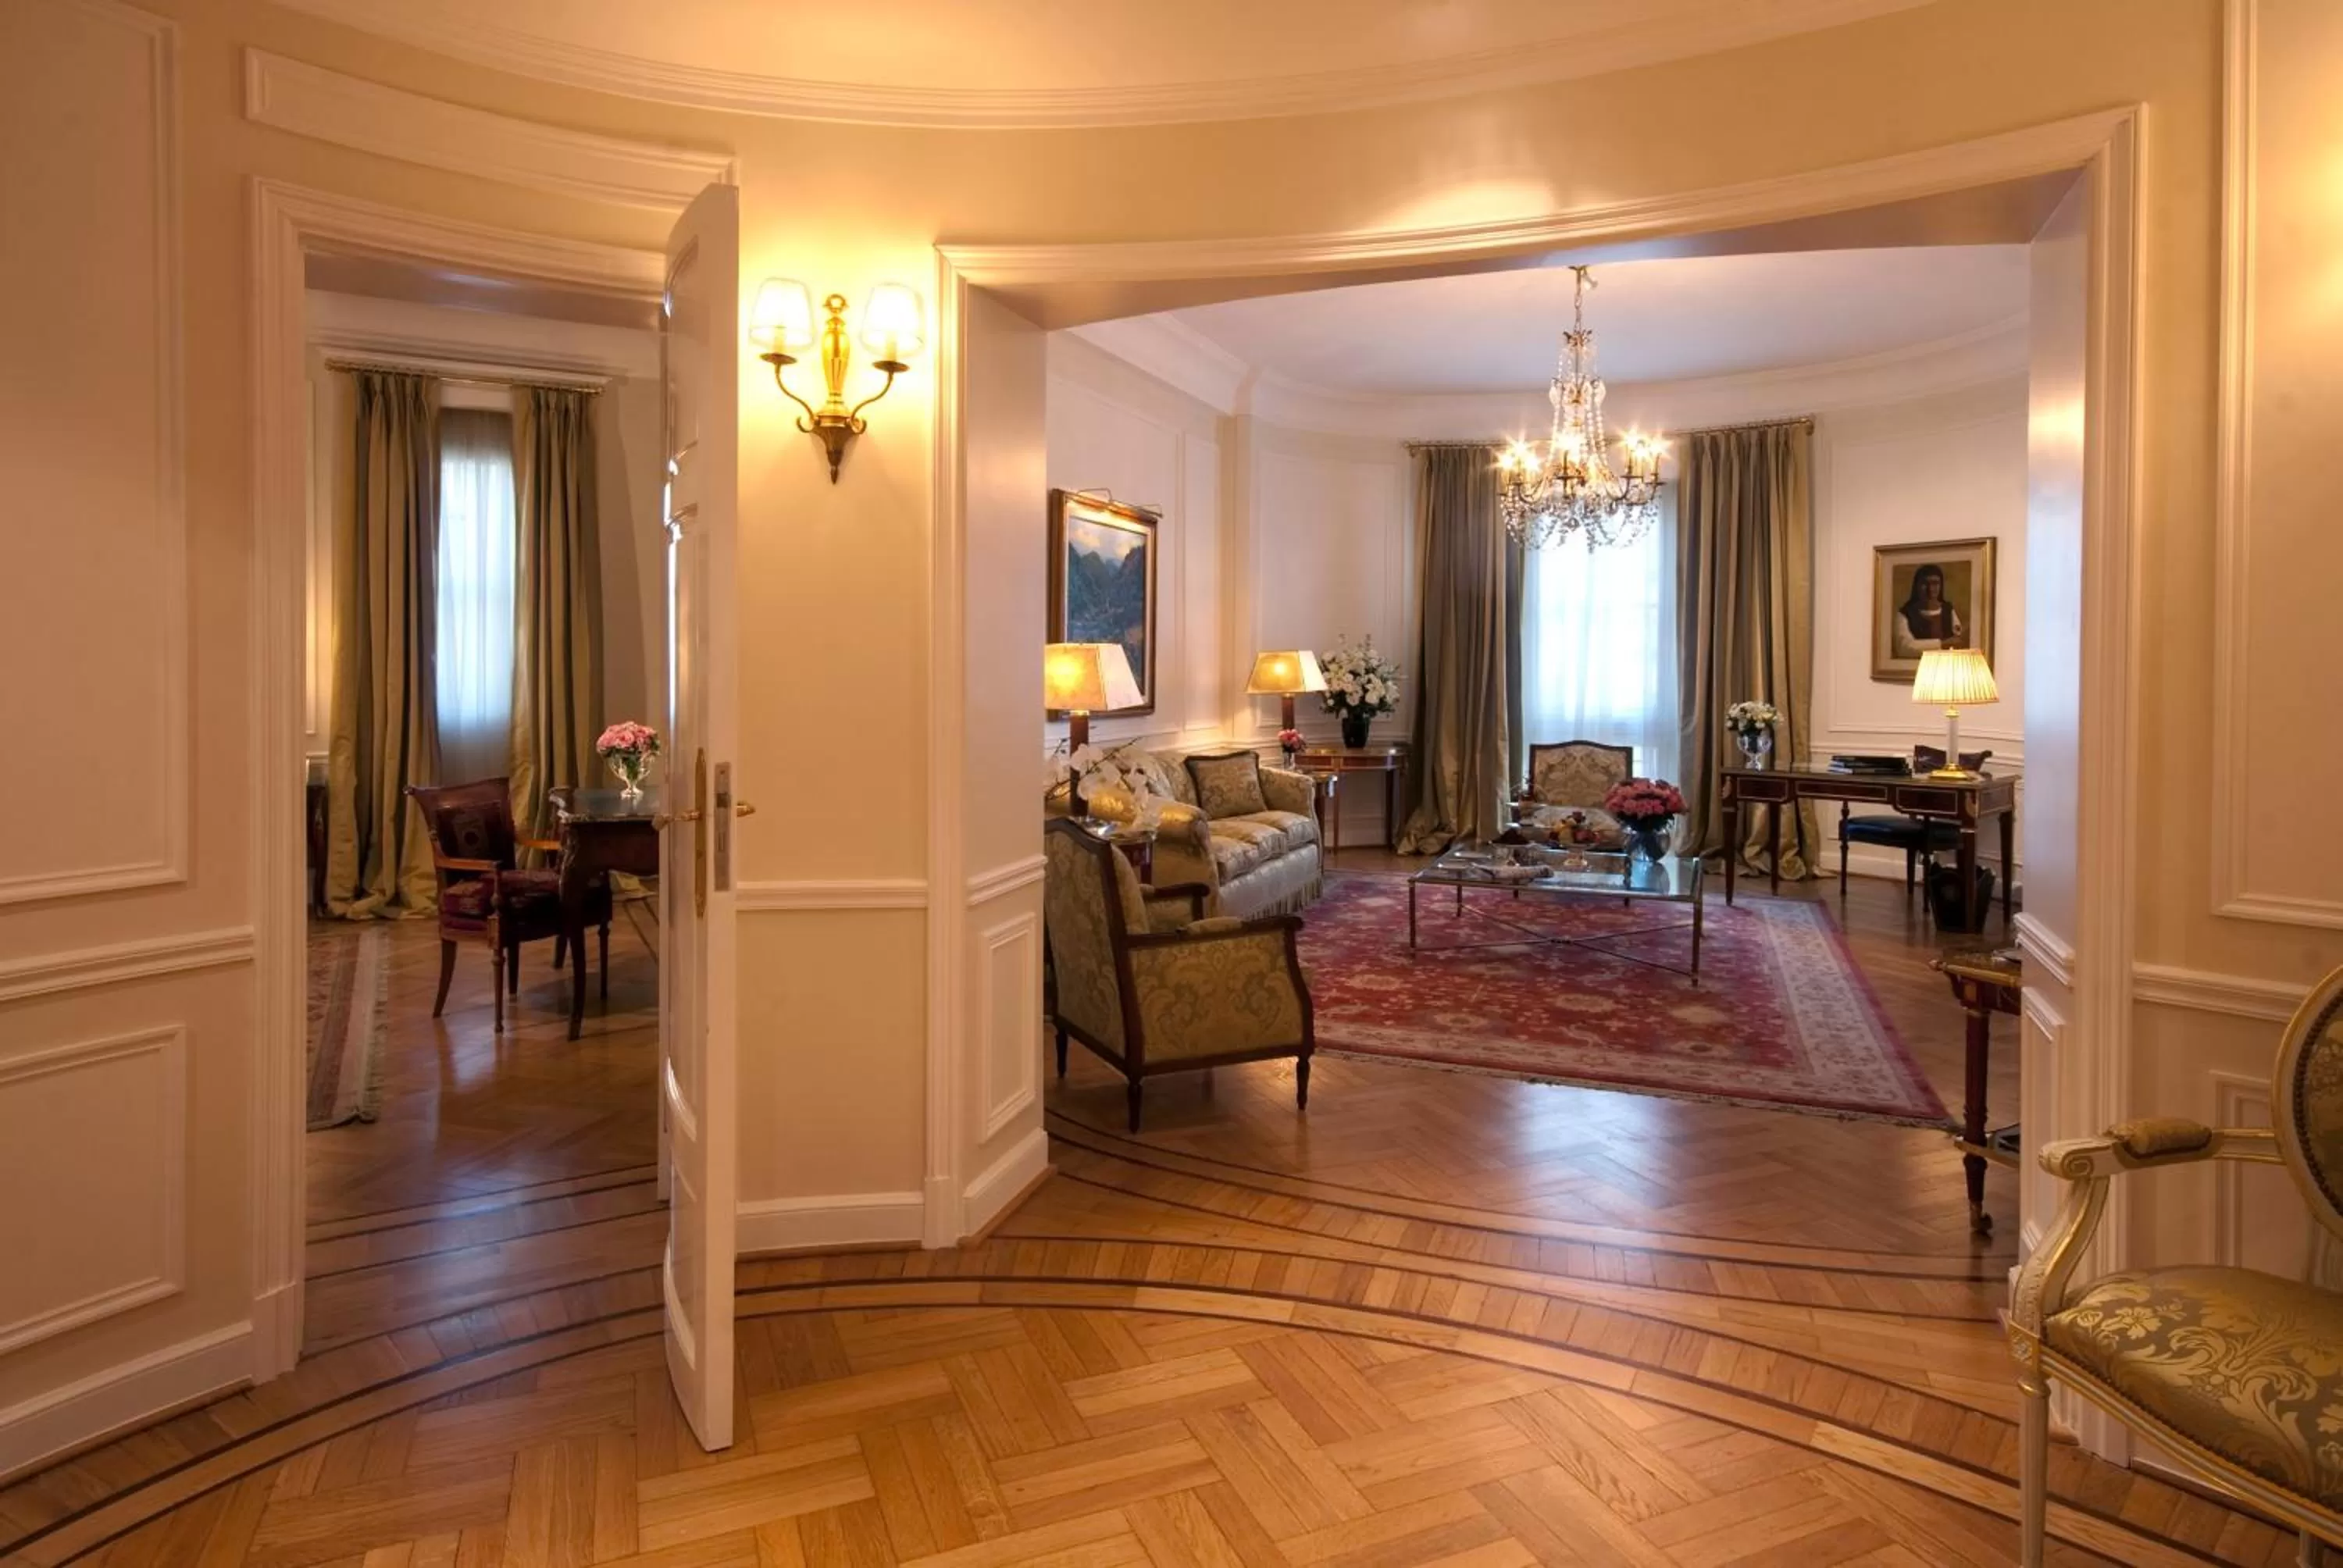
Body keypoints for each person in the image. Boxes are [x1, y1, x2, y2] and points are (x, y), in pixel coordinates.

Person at [1892, 563, 1965, 657]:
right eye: (1925, 584)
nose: (1930, 589)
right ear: (1917, 586)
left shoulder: (1948, 610)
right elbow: (1904, 648)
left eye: (1935, 584)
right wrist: (1942, 644)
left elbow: (1957, 640)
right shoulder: (1905, 614)